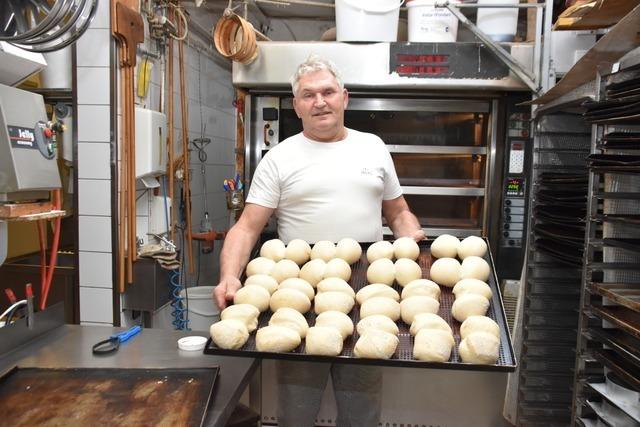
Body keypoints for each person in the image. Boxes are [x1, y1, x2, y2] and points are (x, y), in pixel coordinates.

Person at [214, 55, 424, 427]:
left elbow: (397, 211)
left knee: (362, 412)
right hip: (297, 291)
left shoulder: (373, 147)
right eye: (308, 95)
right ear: (296, 106)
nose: (319, 102)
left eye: (327, 92)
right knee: (297, 411)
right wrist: (230, 275)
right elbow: (247, 227)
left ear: (345, 97)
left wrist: (412, 242)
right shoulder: (279, 158)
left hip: (368, 289)